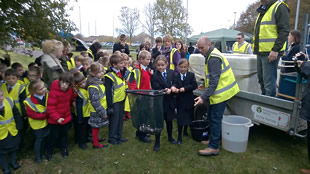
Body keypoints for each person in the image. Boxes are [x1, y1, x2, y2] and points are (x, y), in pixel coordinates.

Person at [194, 36, 239, 156]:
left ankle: (214, 147)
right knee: (211, 116)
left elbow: (214, 81)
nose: (199, 50)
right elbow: (211, 76)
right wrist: (204, 84)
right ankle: (214, 140)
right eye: (198, 47)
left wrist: (203, 97)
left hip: (222, 93)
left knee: (215, 119)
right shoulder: (210, 54)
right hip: (218, 92)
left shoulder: (213, 57)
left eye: (201, 47)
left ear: (209, 44)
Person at [253, 0, 290, 97]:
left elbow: (284, 30)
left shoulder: (279, 6)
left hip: (270, 53)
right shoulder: (264, 9)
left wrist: (275, 50)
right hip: (261, 51)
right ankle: (265, 104)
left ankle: (269, 108)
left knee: (269, 83)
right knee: (262, 81)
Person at [46, 72, 76, 161]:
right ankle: (49, 151)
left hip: (66, 117)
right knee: (53, 136)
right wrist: (57, 118)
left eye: (67, 83)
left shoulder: (69, 90)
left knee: (64, 135)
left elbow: (70, 99)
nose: (64, 85)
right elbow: (50, 107)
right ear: (59, 81)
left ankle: (64, 149)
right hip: (55, 120)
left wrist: (75, 94)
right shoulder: (54, 92)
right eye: (62, 82)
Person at [151, 55, 178, 150]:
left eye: (162, 65)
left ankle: (170, 137)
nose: (161, 67)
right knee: (159, 122)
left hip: (170, 101)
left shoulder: (171, 72)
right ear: (156, 65)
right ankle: (157, 141)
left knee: (169, 121)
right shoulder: (154, 76)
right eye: (158, 65)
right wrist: (164, 90)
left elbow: (175, 81)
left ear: (166, 64)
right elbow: (156, 87)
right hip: (160, 102)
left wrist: (174, 86)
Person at [128, 50, 153, 143]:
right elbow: (131, 82)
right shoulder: (136, 71)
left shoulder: (146, 69)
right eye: (147, 59)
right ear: (141, 59)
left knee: (145, 115)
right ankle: (142, 135)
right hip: (141, 96)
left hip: (147, 95)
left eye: (150, 59)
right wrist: (137, 93)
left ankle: (141, 132)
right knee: (142, 116)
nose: (149, 61)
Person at [23, 79, 49, 163]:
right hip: (37, 125)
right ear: (33, 91)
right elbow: (31, 114)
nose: (44, 89)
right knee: (39, 140)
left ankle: (43, 153)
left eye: (44, 87)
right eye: (40, 89)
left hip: (47, 122)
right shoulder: (29, 101)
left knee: (45, 138)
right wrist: (45, 115)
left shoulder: (47, 94)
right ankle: (38, 156)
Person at [104, 54, 127, 145]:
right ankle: (112, 137)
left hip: (121, 99)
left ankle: (119, 135)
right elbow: (108, 92)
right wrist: (110, 105)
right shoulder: (109, 76)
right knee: (114, 120)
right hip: (114, 102)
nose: (123, 64)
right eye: (121, 63)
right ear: (114, 65)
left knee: (120, 119)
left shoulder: (120, 72)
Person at [174, 59, 197, 144]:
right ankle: (179, 137)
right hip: (179, 100)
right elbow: (175, 84)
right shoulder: (176, 76)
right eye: (181, 67)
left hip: (188, 100)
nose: (183, 69)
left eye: (185, 67)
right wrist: (174, 88)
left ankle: (185, 131)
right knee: (180, 118)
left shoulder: (191, 75)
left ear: (188, 67)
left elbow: (194, 85)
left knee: (188, 116)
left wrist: (185, 88)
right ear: (178, 67)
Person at [86, 63, 109, 149]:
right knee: (95, 126)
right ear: (93, 73)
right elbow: (95, 102)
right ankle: (95, 143)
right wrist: (102, 112)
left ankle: (96, 138)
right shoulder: (93, 86)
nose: (102, 73)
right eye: (99, 72)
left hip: (101, 108)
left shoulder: (99, 82)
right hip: (96, 110)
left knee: (97, 126)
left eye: (102, 71)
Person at [0, 89, 21, 174]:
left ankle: (13, 162)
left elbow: (16, 114)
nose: (0, 98)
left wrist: (19, 125)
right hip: (1, 135)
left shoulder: (9, 101)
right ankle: (5, 167)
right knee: (2, 152)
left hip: (12, 131)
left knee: (13, 148)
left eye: (1, 95)